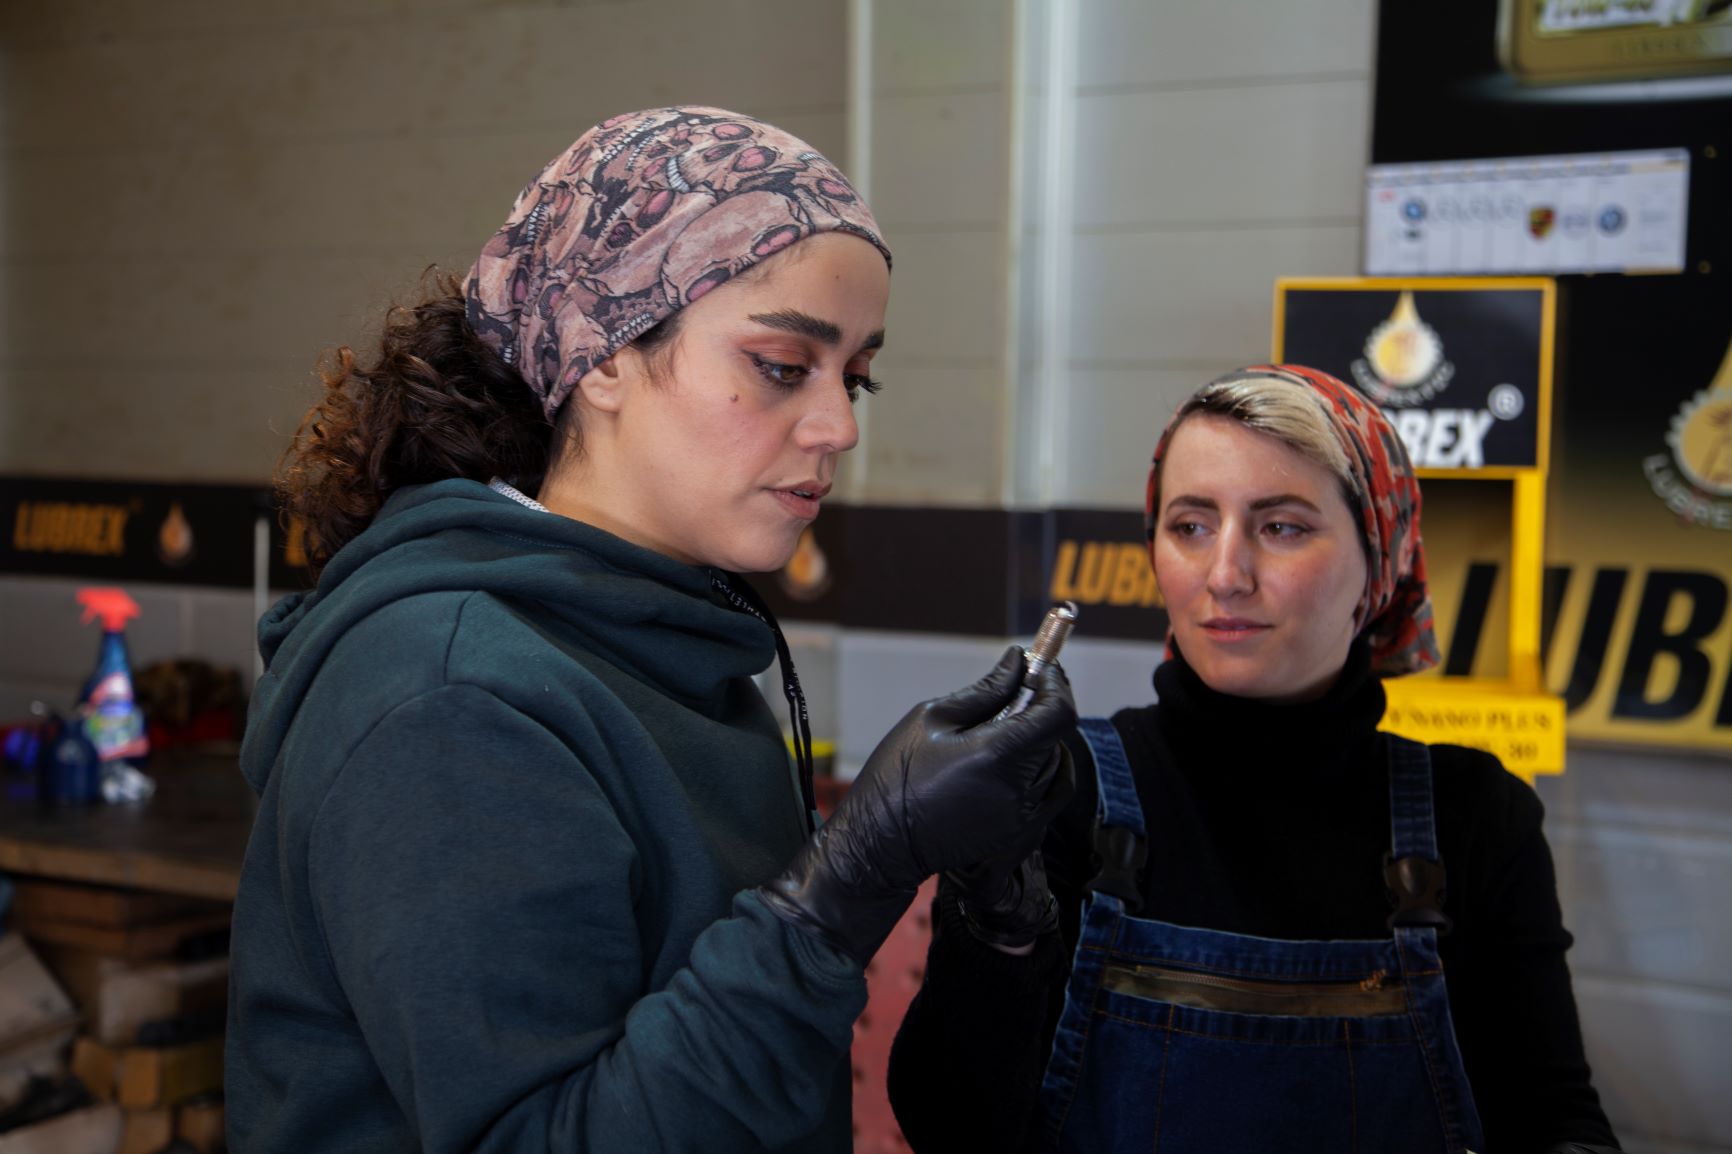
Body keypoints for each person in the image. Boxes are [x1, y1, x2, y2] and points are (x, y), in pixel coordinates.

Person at [225, 106, 1075, 1154]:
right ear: (603, 355)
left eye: (854, 376)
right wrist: (850, 877)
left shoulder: (670, 643)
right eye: (780, 363)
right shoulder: (452, 698)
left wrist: (987, 902)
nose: (840, 426)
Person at [887, 364, 1621, 1153]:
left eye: (1282, 527)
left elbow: (1554, 1119)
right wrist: (991, 933)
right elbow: (949, 1127)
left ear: (1377, 566)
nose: (1225, 576)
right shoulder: (1064, 789)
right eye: (1191, 526)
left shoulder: (1475, 813)